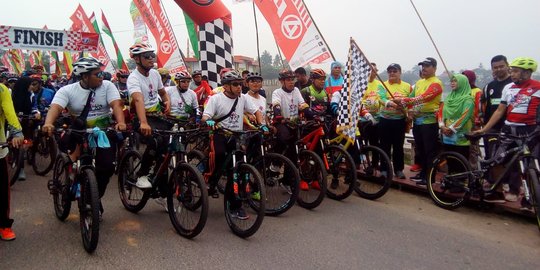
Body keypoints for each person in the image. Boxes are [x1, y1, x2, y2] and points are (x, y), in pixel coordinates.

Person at [42, 57, 126, 219]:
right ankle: (67, 176)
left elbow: (116, 105)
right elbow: (56, 107)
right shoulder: (67, 90)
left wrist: (121, 122)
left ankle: (93, 198)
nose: (101, 77)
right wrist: (48, 123)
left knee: (107, 168)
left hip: (102, 133)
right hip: (78, 132)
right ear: (85, 76)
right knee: (76, 160)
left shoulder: (108, 86)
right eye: (97, 74)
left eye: (101, 73)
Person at [475, 57, 540, 205]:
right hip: (509, 128)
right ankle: (497, 190)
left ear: (527, 72)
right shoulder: (508, 88)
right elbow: (499, 111)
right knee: (497, 159)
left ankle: (521, 193)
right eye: (513, 71)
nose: (513, 74)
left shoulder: (538, 87)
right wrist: (484, 129)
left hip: (530, 129)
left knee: (529, 163)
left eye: (516, 71)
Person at [201, 70, 265, 220]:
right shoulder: (216, 99)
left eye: (240, 84)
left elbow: (256, 111)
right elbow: (205, 116)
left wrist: (261, 124)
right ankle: (208, 177)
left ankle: (235, 206)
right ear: (226, 86)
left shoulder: (243, 98)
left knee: (237, 170)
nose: (239, 88)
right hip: (220, 134)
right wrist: (210, 121)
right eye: (235, 85)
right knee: (219, 154)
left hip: (237, 136)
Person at [126, 43, 171, 192]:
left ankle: (162, 188)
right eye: (147, 56)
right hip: (141, 117)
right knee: (155, 141)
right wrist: (144, 123)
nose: (152, 59)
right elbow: (138, 100)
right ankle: (142, 175)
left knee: (171, 144)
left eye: (153, 55)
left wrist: (167, 102)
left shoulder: (155, 74)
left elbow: (163, 93)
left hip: (157, 117)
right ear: (137, 59)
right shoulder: (133, 78)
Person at [395, 57, 443, 187]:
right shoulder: (420, 82)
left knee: (430, 151)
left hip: (429, 122)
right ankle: (422, 174)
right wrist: (402, 104)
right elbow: (412, 97)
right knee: (420, 150)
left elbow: (424, 98)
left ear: (434, 68)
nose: (424, 69)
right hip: (417, 121)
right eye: (423, 66)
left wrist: (404, 101)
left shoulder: (436, 83)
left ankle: (429, 177)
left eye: (427, 66)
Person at [272, 69, 312, 190]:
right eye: (288, 80)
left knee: (293, 154)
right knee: (283, 139)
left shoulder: (296, 91)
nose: (291, 82)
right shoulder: (277, 92)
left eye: (292, 79)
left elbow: (302, 104)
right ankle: (276, 163)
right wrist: (278, 114)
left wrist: (310, 113)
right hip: (282, 121)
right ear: (282, 81)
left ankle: (287, 181)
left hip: (295, 123)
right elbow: (276, 104)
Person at [438, 74, 474, 190]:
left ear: (463, 83)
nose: (452, 83)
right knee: (450, 160)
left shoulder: (468, 99)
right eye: (451, 81)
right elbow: (441, 113)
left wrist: (452, 129)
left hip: (460, 137)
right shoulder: (448, 98)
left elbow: (465, 115)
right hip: (447, 135)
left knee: (461, 162)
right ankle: (451, 182)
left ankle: (460, 185)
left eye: (455, 81)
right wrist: (442, 126)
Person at [379, 63, 412, 179]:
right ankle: (384, 169)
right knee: (384, 146)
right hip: (385, 120)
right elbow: (381, 99)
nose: (392, 73)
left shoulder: (407, 86)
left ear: (400, 72)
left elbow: (411, 101)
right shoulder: (382, 84)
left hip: (399, 121)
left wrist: (404, 106)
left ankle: (399, 169)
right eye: (390, 71)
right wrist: (392, 104)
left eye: (395, 71)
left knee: (398, 146)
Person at [0, 81, 24, 241]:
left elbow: (9, 112)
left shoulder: (1, 89)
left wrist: (17, 132)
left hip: (0, 150)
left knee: (1, 191)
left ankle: (4, 225)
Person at [481, 55, 513, 158]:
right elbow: (485, 107)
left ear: (508, 66)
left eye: (501, 66)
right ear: (492, 69)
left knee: (511, 160)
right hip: (492, 129)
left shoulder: (515, 84)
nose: (498, 69)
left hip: (511, 130)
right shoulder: (489, 86)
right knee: (492, 159)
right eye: (495, 67)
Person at [361, 63, 384, 171]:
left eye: (375, 70)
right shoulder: (361, 83)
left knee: (375, 142)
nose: (373, 73)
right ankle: (364, 163)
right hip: (363, 119)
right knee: (363, 142)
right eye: (371, 70)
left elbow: (382, 98)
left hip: (376, 118)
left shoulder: (379, 84)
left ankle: (375, 163)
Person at [462, 70, 483, 169]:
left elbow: (479, 109)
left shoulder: (477, 91)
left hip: (473, 124)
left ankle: (474, 170)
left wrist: (477, 122)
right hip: (461, 124)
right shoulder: (461, 91)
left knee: (473, 149)